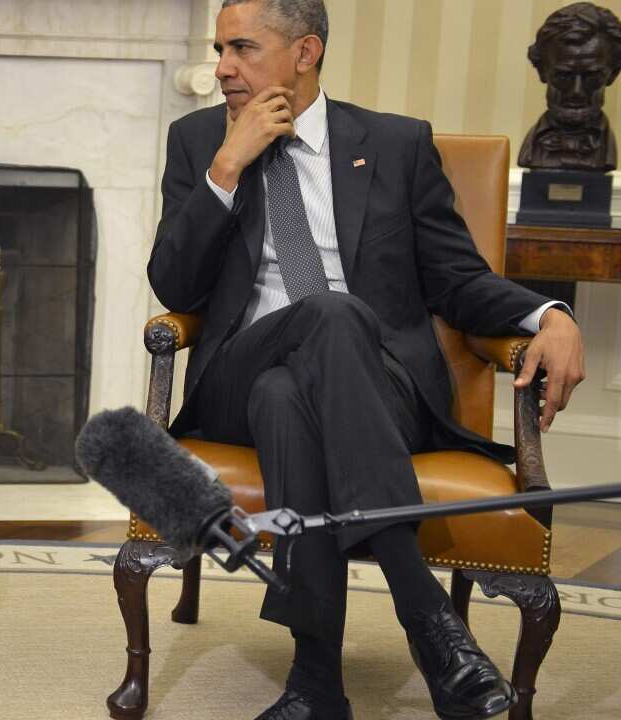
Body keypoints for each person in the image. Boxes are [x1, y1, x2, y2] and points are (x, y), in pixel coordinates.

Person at [148, 1, 586, 719]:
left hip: (372, 388)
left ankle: (315, 685)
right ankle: (424, 613)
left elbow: (456, 279)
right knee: (326, 315)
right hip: (236, 374)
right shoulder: (199, 141)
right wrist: (228, 166)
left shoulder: (393, 144)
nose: (221, 67)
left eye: (242, 48)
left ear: (305, 52)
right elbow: (174, 284)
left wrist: (550, 313)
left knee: (293, 392)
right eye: (218, 48)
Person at [519, 2, 621, 171]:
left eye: (592, 77)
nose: (577, 91)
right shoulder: (531, 148)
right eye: (563, 76)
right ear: (542, 71)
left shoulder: (606, 148)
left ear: (613, 74)